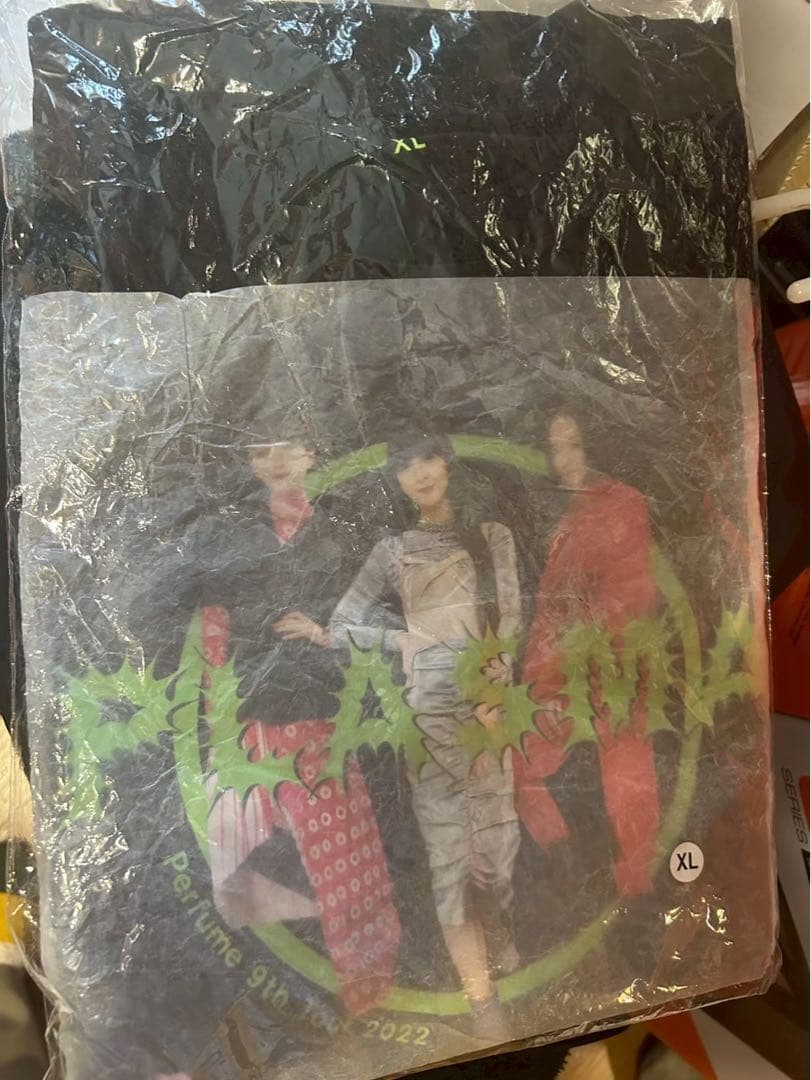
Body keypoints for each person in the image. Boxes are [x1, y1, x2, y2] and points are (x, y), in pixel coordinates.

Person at [275, 434, 522, 1038]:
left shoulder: (492, 536)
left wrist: (497, 689)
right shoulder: (392, 551)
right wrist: (402, 639)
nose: (419, 474)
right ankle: (482, 1002)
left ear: (445, 463)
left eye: (426, 459)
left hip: (489, 716)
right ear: (398, 481)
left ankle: (497, 926)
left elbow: (513, 620)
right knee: (448, 862)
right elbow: (345, 622)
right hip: (428, 721)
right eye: (405, 467)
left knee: (496, 857)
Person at [202, 436, 401, 1015]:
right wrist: (219, 724)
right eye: (260, 449)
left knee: (349, 871)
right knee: (233, 864)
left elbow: (378, 619)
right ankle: (280, 997)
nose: (276, 460)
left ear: (312, 453)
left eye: (287, 445)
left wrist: (323, 634)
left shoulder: (337, 534)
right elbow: (215, 630)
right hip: (252, 730)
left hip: (323, 726)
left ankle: (366, 994)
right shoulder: (236, 539)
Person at [515, 409, 661, 897]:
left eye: (573, 445)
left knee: (628, 777)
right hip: (558, 671)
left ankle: (638, 888)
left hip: (614, 668)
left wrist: (576, 647)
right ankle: (570, 860)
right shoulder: (561, 514)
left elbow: (630, 597)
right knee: (517, 758)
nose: (564, 460)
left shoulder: (622, 504)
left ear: (594, 444)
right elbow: (549, 609)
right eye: (555, 449)